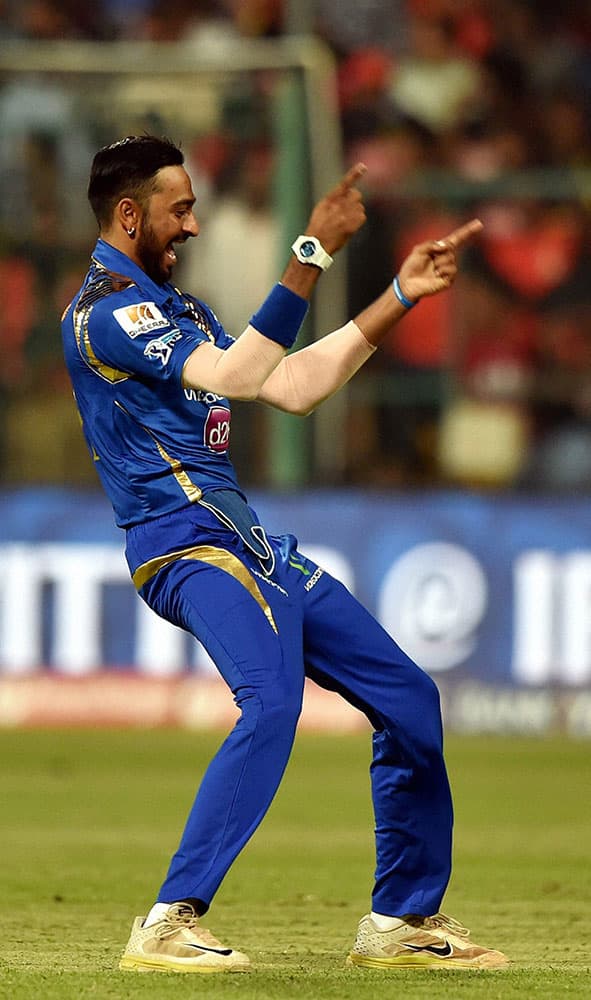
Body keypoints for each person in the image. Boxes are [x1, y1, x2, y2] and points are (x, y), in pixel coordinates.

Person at [61, 134, 507, 974]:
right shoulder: (105, 313)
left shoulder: (178, 311)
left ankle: (400, 924)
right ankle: (166, 921)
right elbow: (233, 383)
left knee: (408, 696)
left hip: (255, 546)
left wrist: (396, 297)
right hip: (184, 546)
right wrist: (309, 253)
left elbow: (288, 386)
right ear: (129, 214)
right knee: (270, 702)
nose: (191, 225)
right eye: (179, 208)